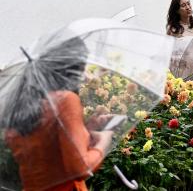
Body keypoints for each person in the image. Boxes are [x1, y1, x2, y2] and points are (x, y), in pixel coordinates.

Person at [2, 38, 113, 191]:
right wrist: (103, 143)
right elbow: (80, 167)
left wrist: (86, 129)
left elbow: (48, 148)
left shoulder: (20, 107)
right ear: (72, 68)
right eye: (83, 67)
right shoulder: (65, 100)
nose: (85, 75)